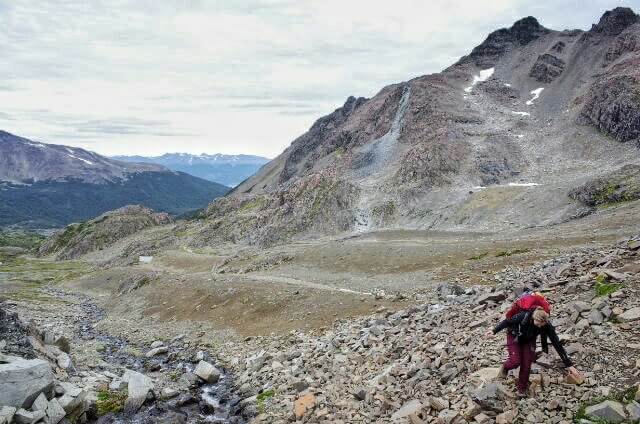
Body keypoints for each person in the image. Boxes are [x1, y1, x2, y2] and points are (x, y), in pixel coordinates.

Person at [485, 307, 582, 397]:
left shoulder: (546, 326)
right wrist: (493, 331)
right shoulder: (522, 316)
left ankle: (521, 389)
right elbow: (507, 321)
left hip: (529, 340)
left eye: (542, 325)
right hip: (514, 336)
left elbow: (557, 344)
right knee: (515, 361)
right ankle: (505, 367)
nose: (540, 326)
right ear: (533, 318)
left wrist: (569, 365)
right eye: (538, 323)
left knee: (526, 364)